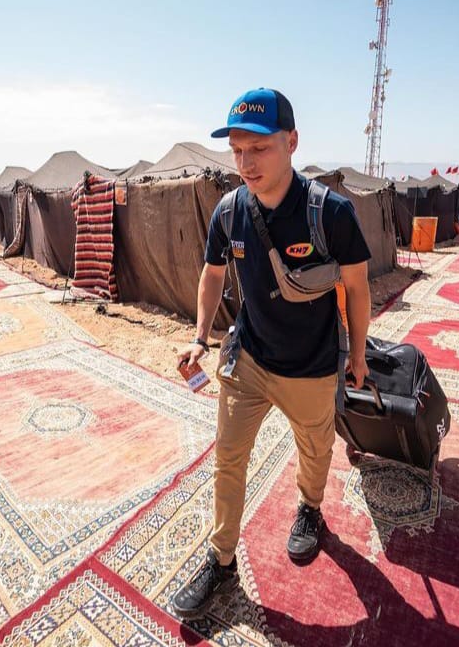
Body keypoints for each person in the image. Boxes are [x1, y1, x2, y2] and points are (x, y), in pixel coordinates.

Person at [170, 88, 372, 619]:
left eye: (258, 148)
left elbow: (357, 286)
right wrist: (200, 336)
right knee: (228, 459)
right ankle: (220, 561)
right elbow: (212, 274)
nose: (246, 163)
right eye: (237, 151)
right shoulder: (229, 211)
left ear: (292, 142)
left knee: (315, 451)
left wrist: (356, 356)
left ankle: (309, 510)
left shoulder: (331, 213)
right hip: (250, 363)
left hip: (309, 366)